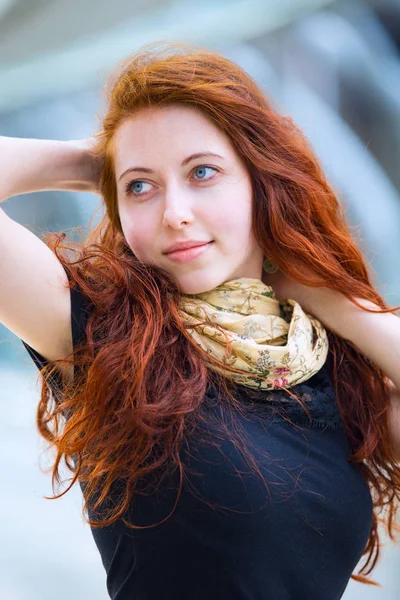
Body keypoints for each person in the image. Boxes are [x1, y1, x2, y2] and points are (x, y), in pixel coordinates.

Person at [1, 40, 400, 600]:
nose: (174, 213)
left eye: (203, 172)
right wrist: (93, 160)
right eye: (140, 187)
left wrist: (339, 306)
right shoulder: (104, 335)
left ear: (263, 182)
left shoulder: (329, 366)